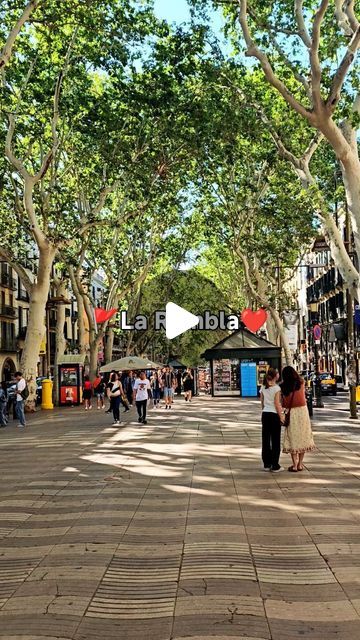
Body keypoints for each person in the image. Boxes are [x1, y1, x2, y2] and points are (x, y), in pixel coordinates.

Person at [280, 366, 316, 472]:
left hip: (292, 413)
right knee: (303, 436)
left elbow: (284, 403)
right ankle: (300, 464)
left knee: (292, 436)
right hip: (303, 411)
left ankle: (294, 465)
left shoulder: (283, 386)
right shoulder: (301, 383)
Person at [260, 368, 284, 473]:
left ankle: (266, 463)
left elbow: (262, 402)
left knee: (265, 439)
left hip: (265, 414)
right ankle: (275, 465)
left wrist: (264, 411)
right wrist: (281, 416)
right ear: (276, 376)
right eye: (278, 373)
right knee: (275, 440)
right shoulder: (277, 388)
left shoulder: (263, 387)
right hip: (274, 415)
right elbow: (277, 404)